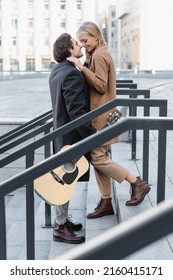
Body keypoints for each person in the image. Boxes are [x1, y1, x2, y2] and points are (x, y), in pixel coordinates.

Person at [67, 21, 151, 219]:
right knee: (100, 158)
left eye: (85, 40)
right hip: (105, 113)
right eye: (80, 41)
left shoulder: (101, 55)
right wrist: (86, 61)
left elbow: (101, 86)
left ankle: (137, 183)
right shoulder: (97, 54)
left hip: (103, 115)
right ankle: (106, 201)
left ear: (95, 36)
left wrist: (80, 66)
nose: (83, 44)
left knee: (98, 158)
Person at [49, 33, 96, 243]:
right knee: (64, 182)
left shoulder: (57, 71)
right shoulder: (72, 75)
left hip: (62, 135)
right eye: (76, 43)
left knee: (64, 180)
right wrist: (93, 136)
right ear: (68, 50)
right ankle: (60, 226)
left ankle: (62, 220)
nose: (80, 46)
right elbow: (77, 112)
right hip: (71, 137)